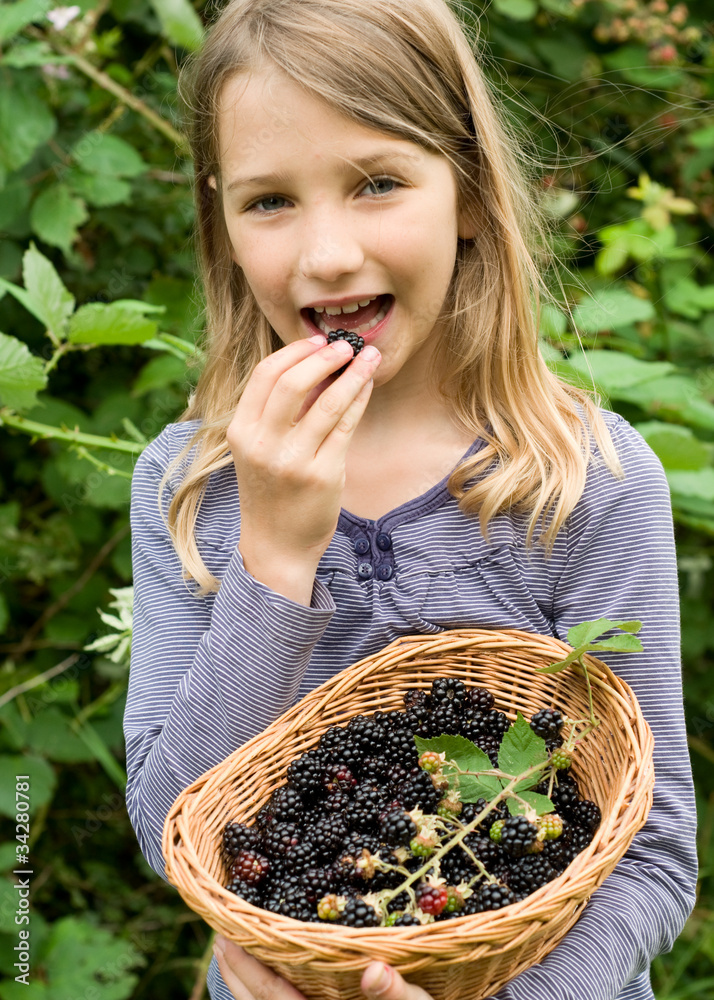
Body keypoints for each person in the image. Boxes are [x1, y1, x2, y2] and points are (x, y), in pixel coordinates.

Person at [123, 0, 697, 997]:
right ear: (222, 223)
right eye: (269, 201)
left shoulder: (584, 483)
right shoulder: (190, 486)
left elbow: (650, 861)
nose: (326, 254)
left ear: (468, 190)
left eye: (378, 183)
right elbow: (173, 831)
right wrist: (274, 556)